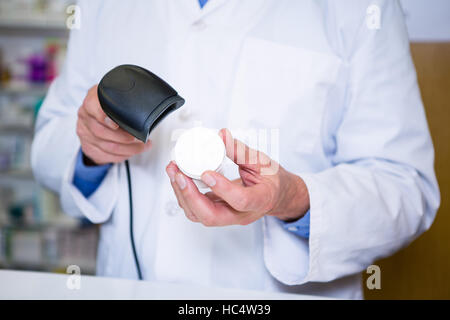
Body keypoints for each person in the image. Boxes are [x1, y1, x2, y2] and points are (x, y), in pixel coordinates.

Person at [31, 0, 440, 299]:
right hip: (129, 284)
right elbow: (52, 136)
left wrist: (293, 198)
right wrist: (90, 150)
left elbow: (405, 185)